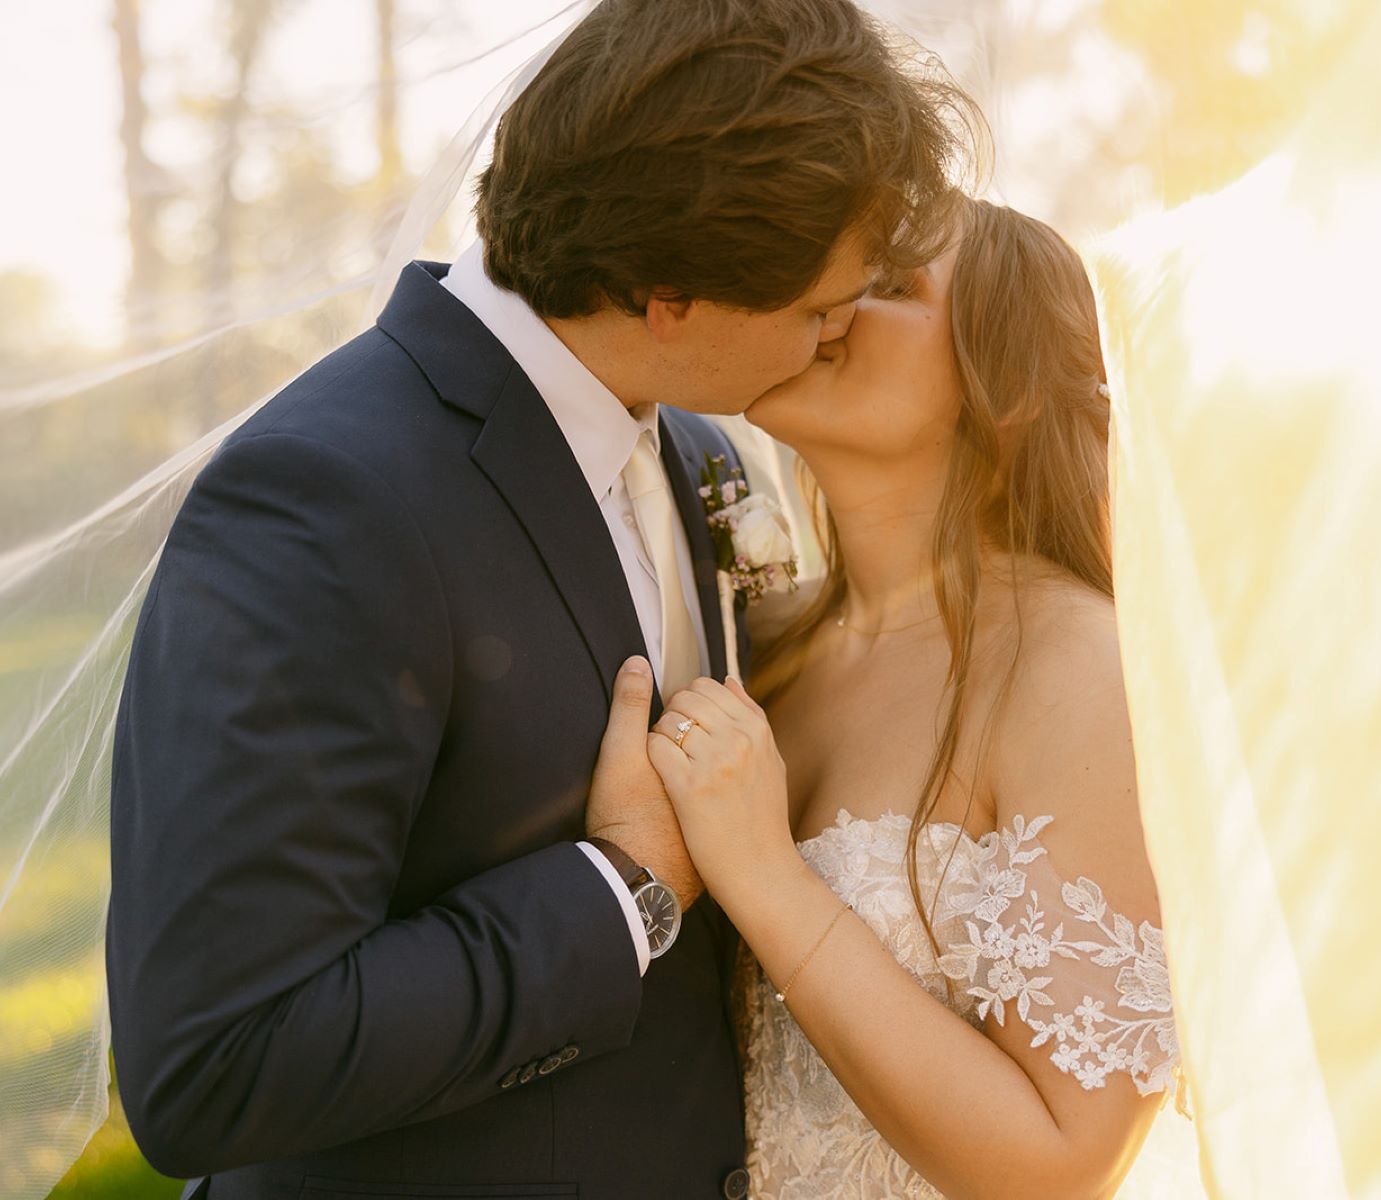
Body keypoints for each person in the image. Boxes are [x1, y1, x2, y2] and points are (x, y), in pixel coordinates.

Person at [104, 1, 967, 1197]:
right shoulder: (327, 499)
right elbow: (214, 1062)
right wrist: (623, 888)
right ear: (671, 296)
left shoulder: (696, 452)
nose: (834, 339)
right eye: (819, 311)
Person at [643, 197, 1184, 1197]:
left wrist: (764, 876)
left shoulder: (1079, 671)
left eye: (890, 286)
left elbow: (1055, 1167)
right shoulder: (755, 642)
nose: (831, 304)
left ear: (1005, 384)